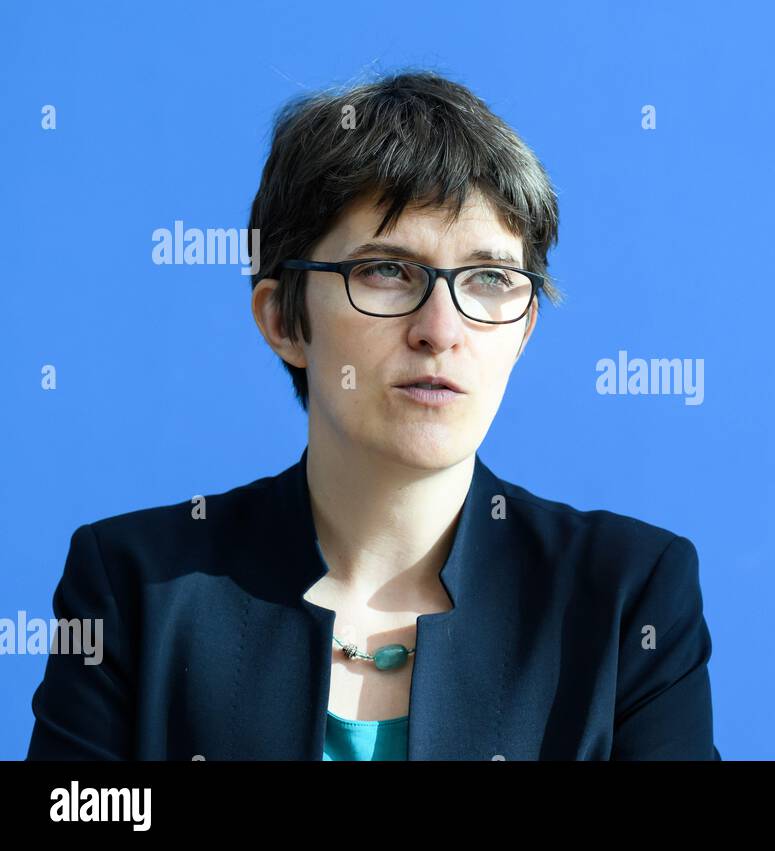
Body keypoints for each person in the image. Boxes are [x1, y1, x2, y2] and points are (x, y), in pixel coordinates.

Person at [26, 70, 720, 760]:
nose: (441, 328)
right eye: (388, 270)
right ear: (283, 319)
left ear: (524, 328)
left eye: (488, 279)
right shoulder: (131, 589)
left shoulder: (629, 595)